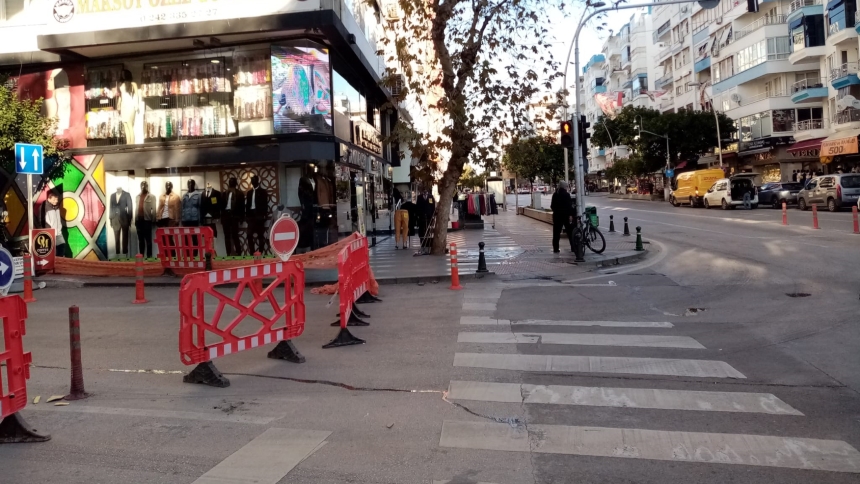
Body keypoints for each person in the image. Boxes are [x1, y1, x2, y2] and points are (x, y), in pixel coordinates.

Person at [40, 190, 67, 257]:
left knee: (62, 246)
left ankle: (59, 262)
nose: (56, 201)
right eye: (54, 199)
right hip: (50, 233)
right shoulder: (44, 208)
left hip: (58, 232)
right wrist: (45, 231)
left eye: (57, 199)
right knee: (52, 250)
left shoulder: (57, 207)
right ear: (49, 199)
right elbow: (40, 220)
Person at [550, 181, 574, 254]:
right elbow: (569, 206)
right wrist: (570, 215)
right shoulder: (566, 195)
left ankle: (556, 249)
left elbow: (552, 206)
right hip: (565, 216)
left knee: (556, 233)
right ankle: (573, 247)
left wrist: (557, 211)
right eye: (566, 186)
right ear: (564, 187)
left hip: (557, 216)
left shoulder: (555, 194)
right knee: (570, 233)